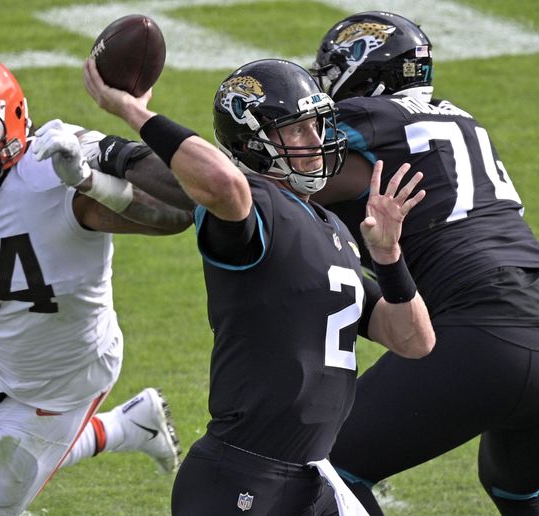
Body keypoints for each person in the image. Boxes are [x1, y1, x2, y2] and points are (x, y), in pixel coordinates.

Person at [82, 56, 435, 515]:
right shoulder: (255, 207)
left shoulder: (333, 229)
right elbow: (222, 182)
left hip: (312, 476)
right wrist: (132, 111)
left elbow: (414, 340)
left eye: (318, 126)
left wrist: (389, 258)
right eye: (296, 130)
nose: (315, 142)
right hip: (242, 478)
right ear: (251, 143)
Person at [307, 12, 539, 515]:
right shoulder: (461, 119)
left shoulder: (369, 120)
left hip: (487, 333)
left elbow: (263, 176)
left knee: (328, 469)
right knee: (520, 490)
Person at [0, 52, 189, 515]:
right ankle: (130, 426)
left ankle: (118, 427)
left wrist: (89, 180)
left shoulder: (54, 167)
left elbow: (180, 209)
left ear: (13, 120)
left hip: (60, 387)